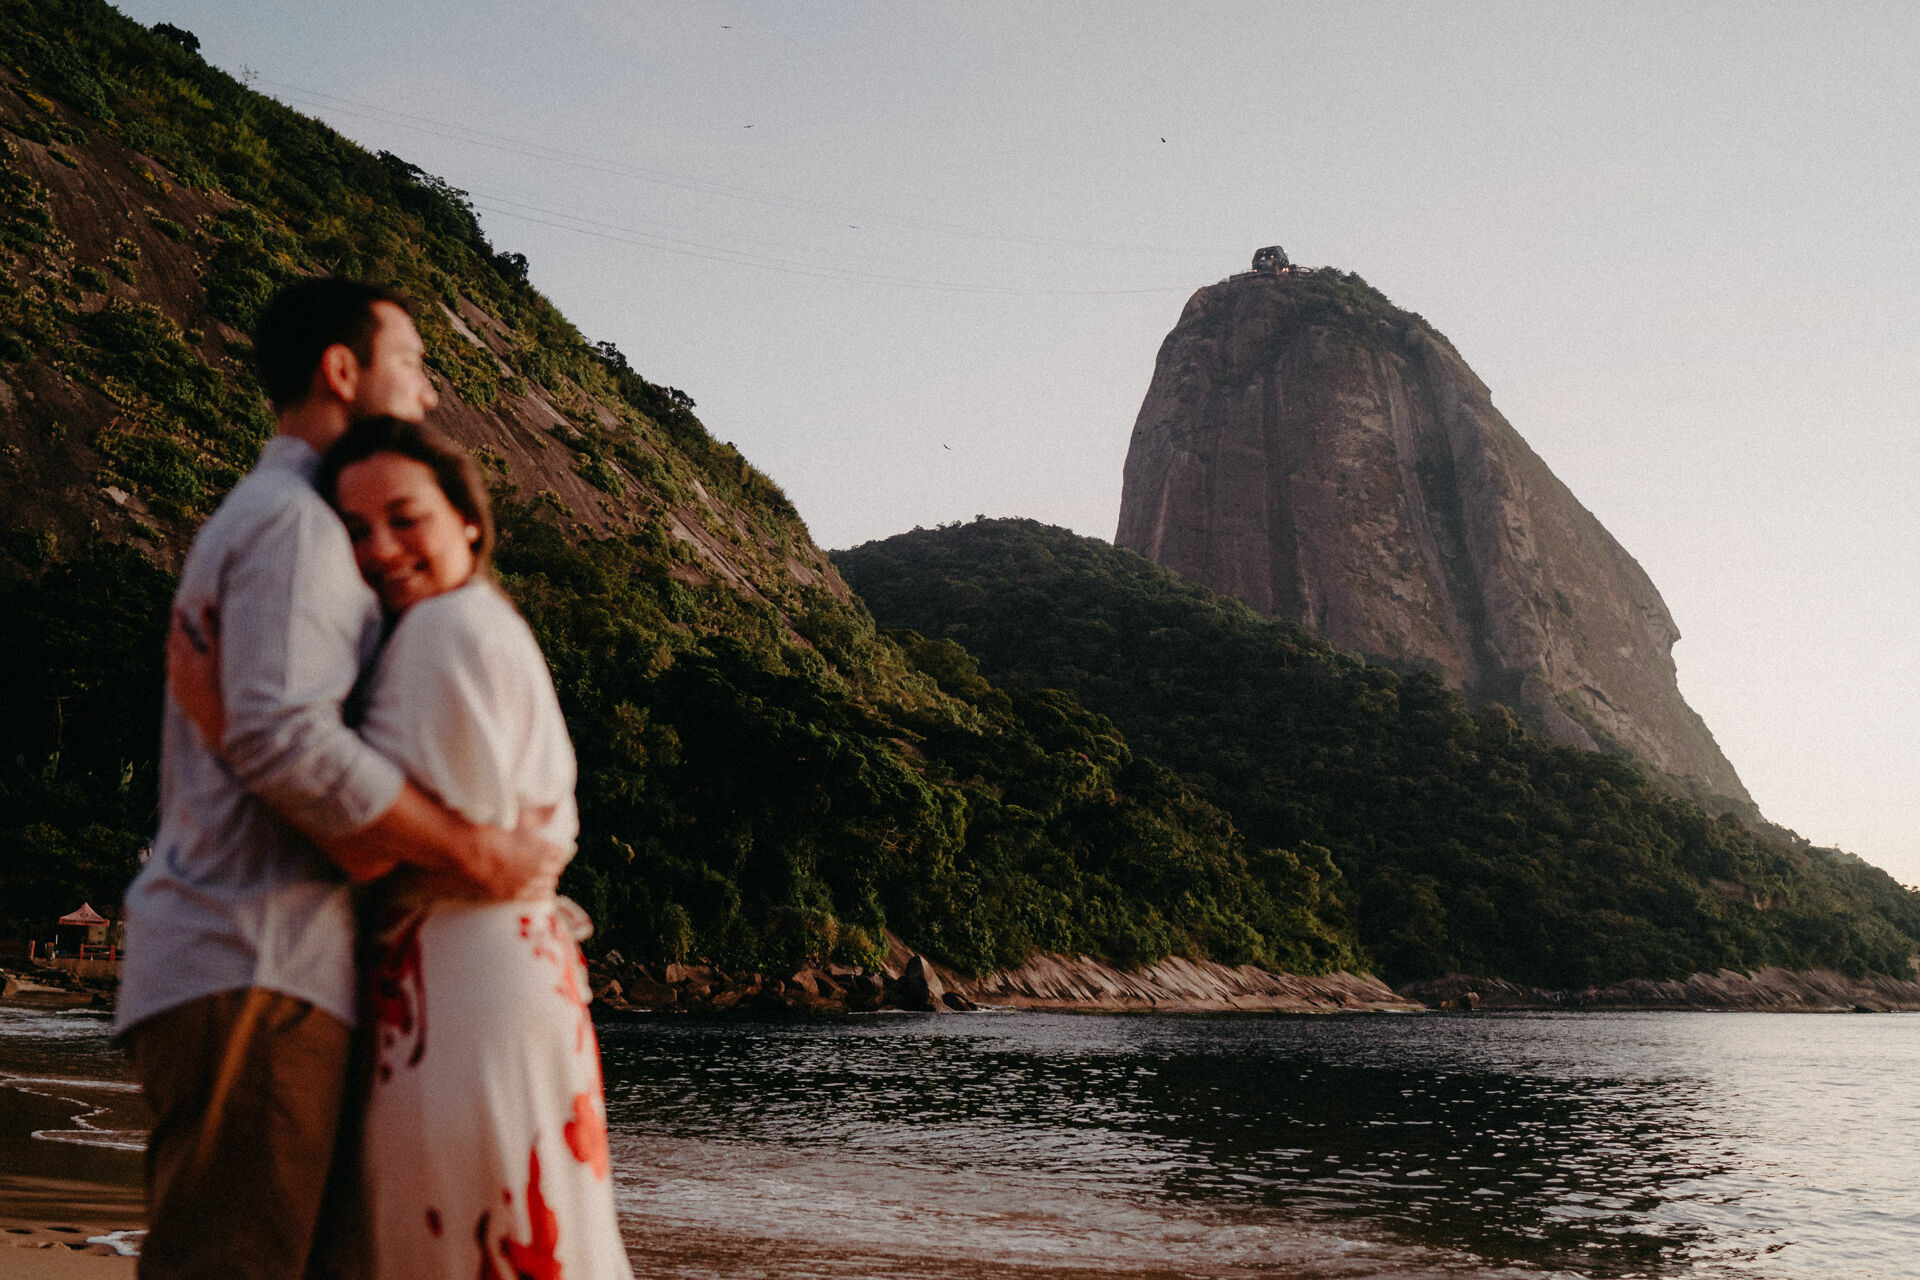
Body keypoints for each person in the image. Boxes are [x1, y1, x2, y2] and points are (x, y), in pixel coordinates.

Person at [116, 279, 569, 1280]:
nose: (429, 393)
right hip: (254, 953)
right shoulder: (299, 524)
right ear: (341, 369)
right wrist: (481, 852)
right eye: (410, 362)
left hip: (260, 953)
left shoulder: (285, 516)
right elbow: (286, 737)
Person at [172, 416, 633, 1279]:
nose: (381, 548)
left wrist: (224, 724)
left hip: (460, 992)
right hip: (506, 975)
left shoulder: (438, 635)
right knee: (524, 1231)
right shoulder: (486, 621)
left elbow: (366, 853)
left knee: (465, 1238)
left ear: (467, 517)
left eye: (405, 517)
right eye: (355, 530)